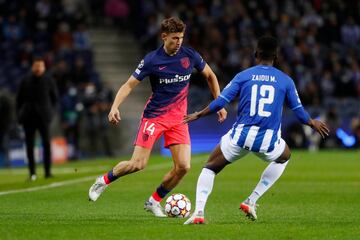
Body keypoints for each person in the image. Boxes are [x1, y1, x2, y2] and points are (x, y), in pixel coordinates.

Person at [88, 17, 227, 217]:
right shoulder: (152, 60)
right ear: (164, 37)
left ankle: (154, 201)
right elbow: (128, 85)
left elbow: (210, 76)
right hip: (155, 117)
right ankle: (103, 181)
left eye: (181, 37)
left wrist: (219, 103)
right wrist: (114, 107)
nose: (179, 42)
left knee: (183, 166)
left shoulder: (190, 55)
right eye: (174, 38)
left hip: (179, 120)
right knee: (138, 164)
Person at [183, 36, 329, 224]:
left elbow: (220, 102)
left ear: (256, 54)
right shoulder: (286, 81)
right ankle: (251, 200)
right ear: (276, 57)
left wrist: (199, 114)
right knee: (284, 156)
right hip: (267, 142)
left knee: (210, 168)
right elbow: (299, 113)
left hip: (241, 138)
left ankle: (199, 212)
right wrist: (312, 123)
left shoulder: (244, 76)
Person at [16, 57, 58, 180]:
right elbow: (19, 100)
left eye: (40, 66)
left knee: (46, 144)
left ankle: (47, 172)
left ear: (44, 67)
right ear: (32, 67)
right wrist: (20, 114)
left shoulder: (49, 80)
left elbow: (55, 99)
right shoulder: (25, 80)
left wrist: (51, 113)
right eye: (36, 66)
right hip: (28, 117)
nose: (38, 68)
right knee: (29, 145)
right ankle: (32, 173)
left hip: (43, 117)